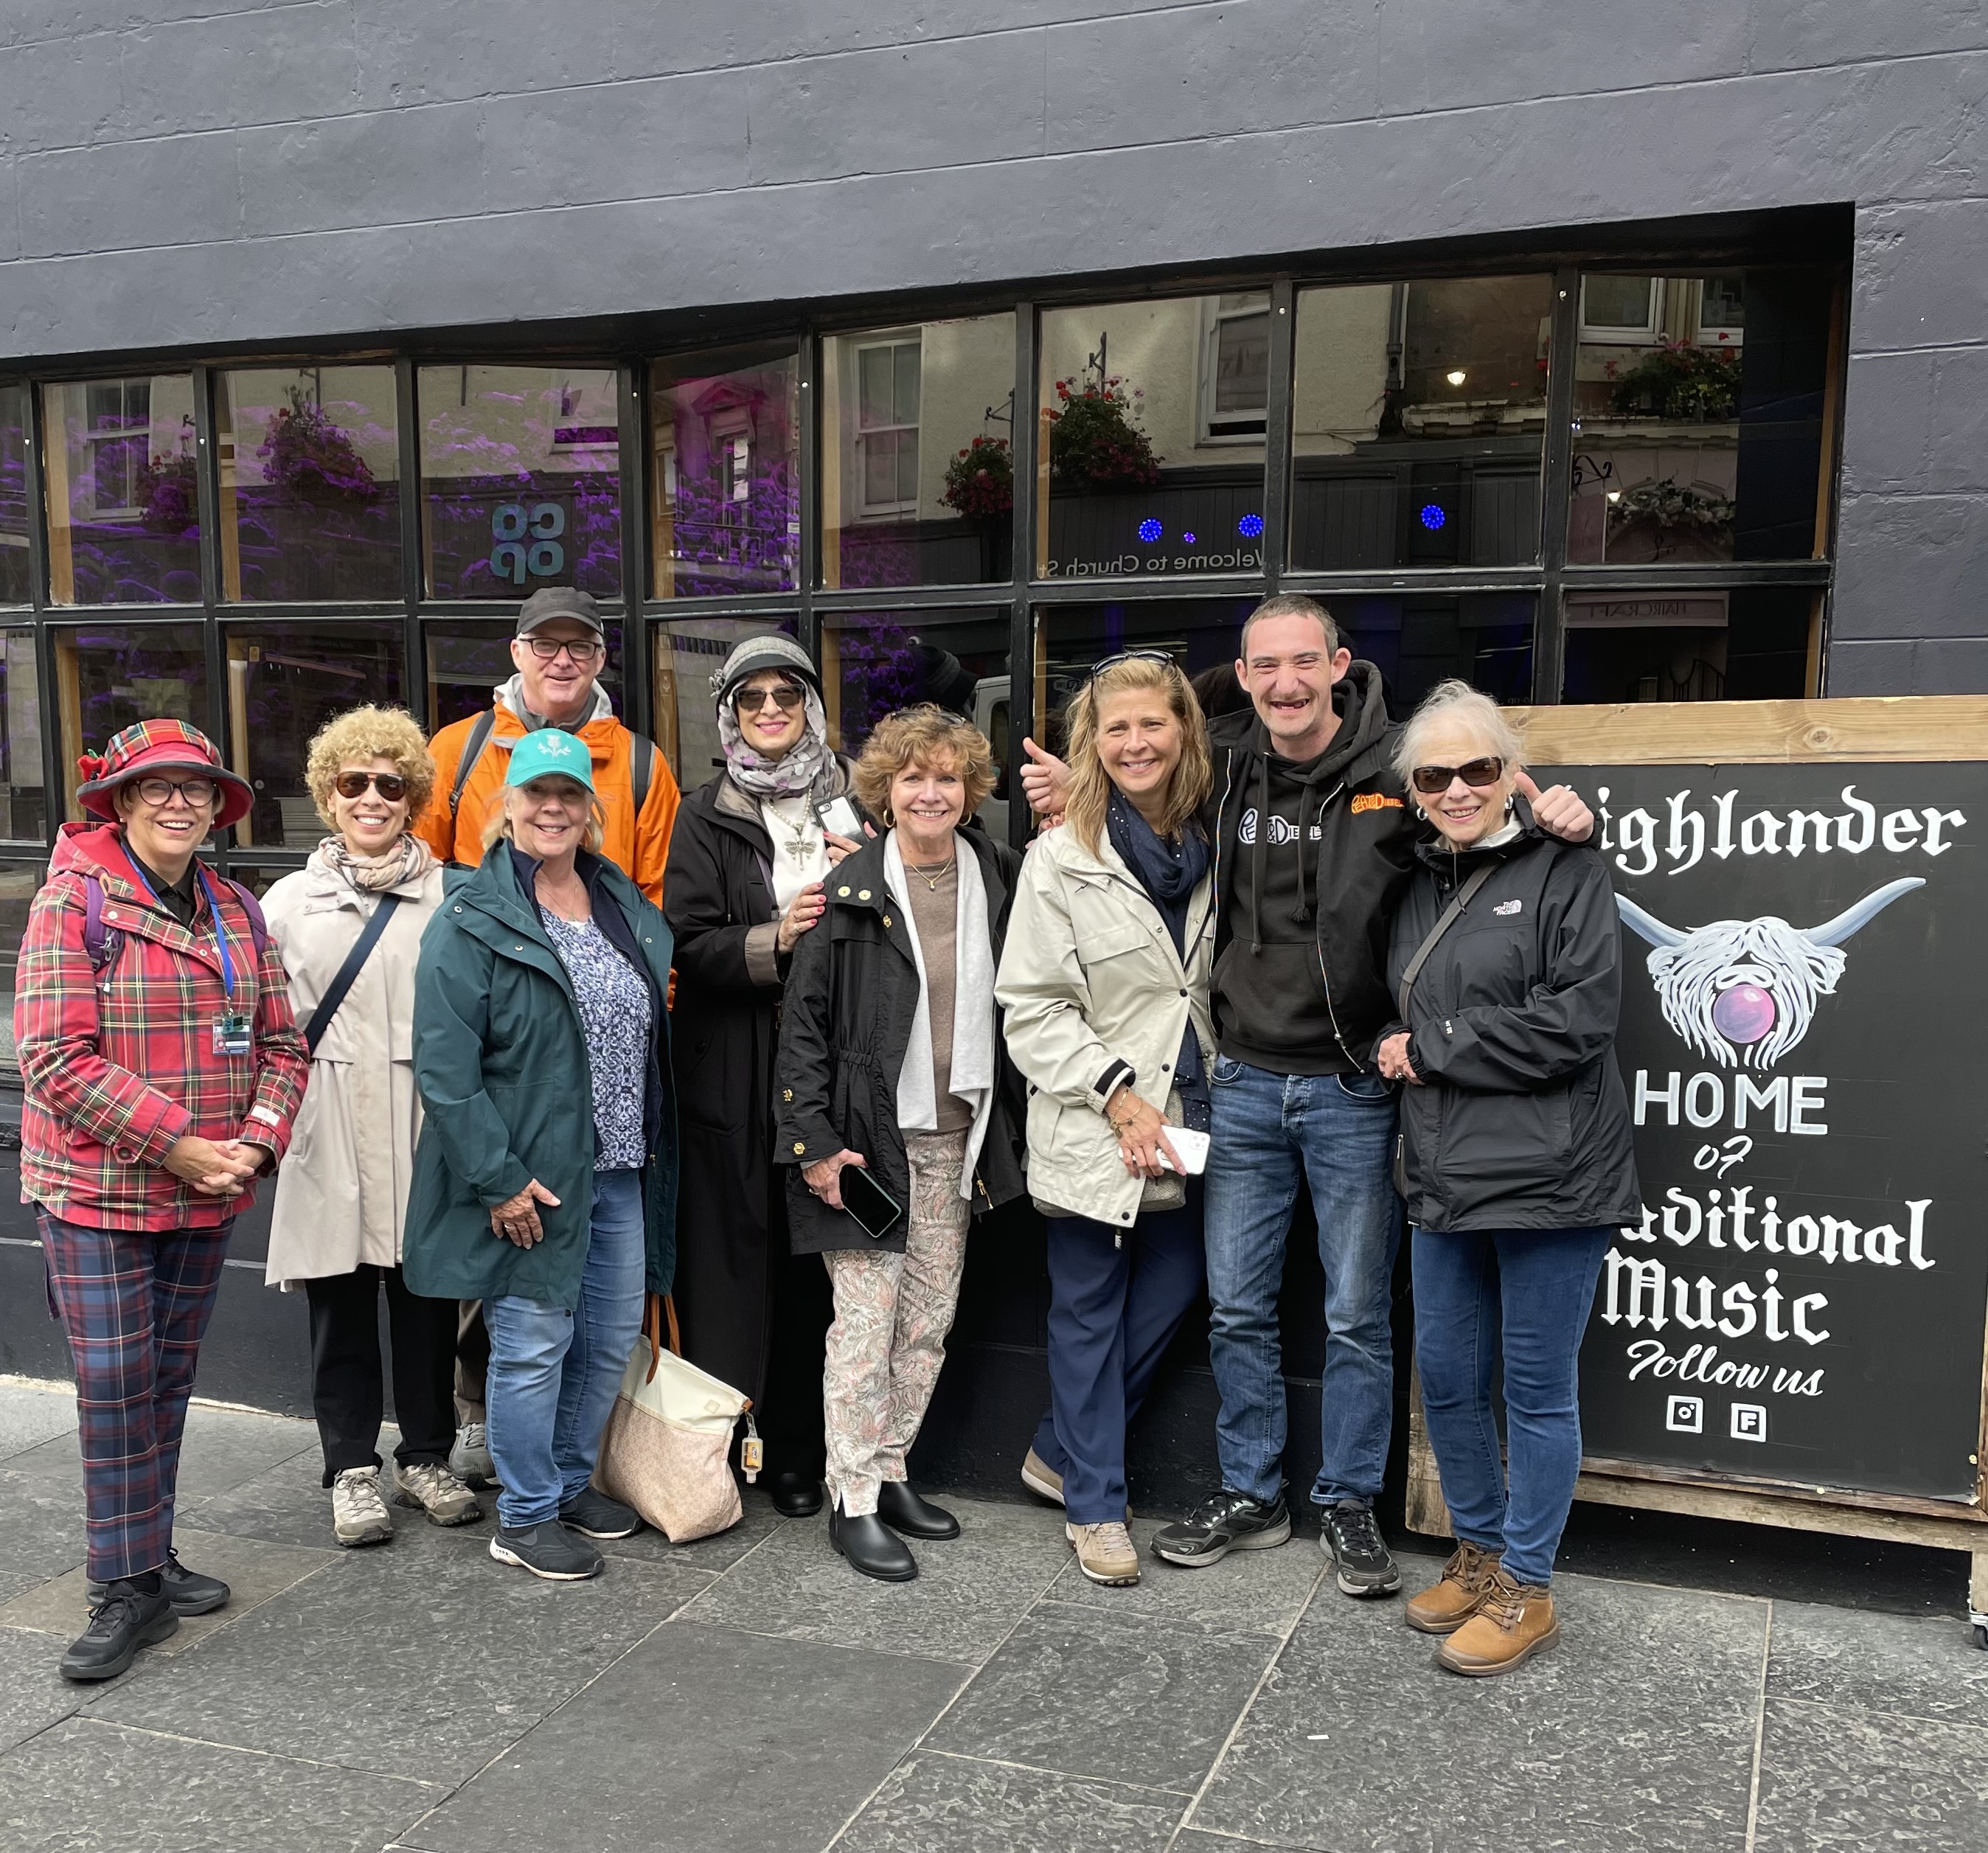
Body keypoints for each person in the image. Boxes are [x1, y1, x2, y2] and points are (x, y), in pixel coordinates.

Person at [1019, 595, 1593, 1595]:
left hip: (1354, 1089)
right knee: (1238, 1308)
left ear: (1338, 664)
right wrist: (1083, 787)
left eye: (1303, 663)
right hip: (1238, 1082)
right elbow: (1141, 783)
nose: (1285, 683)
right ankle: (1254, 1491)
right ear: (1241, 679)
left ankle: (1347, 1501)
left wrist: (1551, 807)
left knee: (1354, 1313)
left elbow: (1476, 813)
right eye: (1263, 667)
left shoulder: (1393, 773)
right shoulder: (1225, 765)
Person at [13, 720, 309, 1681]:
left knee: (165, 1380)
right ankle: (122, 1585)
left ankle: (153, 1552)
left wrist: (253, 1147)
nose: (178, 802)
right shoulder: (73, 904)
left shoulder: (235, 908)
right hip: (98, 1194)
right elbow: (55, 1059)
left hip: (205, 1194)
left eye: (195, 788)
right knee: (114, 1388)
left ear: (217, 804)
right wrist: (179, 1143)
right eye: (157, 788)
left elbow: (282, 1046)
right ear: (122, 801)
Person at [1374, 682, 1638, 1674]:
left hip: (1554, 1174)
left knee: (1535, 1390)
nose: (1457, 788)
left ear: (1509, 775)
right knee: (1446, 1378)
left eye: (1477, 770)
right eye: (1435, 774)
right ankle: (1478, 1555)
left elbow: (1579, 1024)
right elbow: (1377, 1003)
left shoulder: (1567, 865)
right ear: (1413, 788)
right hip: (1443, 1173)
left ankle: (1530, 1588)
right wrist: (1398, 1044)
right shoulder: (1412, 882)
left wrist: (1432, 1045)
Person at [413, 584, 681, 1489]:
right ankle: (528, 1513)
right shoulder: (472, 914)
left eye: (569, 794)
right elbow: (446, 1067)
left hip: (618, 1164)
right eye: (536, 793)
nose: (553, 809)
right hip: (533, 1167)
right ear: (507, 801)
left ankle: (567, 1487)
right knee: (531, 1342)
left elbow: (654, 992)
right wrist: (497, 1175)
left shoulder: (618, 904)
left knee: (606, 1338)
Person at [776, 706, 1028, 1583]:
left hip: (958, 1140)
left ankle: (888, 1470)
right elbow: (802, 1025)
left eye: (947, 777)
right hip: (866, 1149)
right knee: (863, 1328)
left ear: (969, 791)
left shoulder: (995, 871)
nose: (931, 791)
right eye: (913, 776)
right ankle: (850, 1498)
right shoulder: (850, 886)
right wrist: (813, 1143)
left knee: (927, 1325)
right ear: (885, 790)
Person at [997, 651, 1216, 1589]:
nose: (1134, 742)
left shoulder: (1217, 841)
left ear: (1183, 733)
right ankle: (1094, 1504)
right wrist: (1119, 1095)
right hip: (1098, 1119)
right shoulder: (1059, 856)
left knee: (1177, 1290)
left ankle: (1058, 1447)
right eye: (1114, 727)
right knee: (1086, 1311)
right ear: (1091, 742)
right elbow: (1031, 1008)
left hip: (1198, 1119)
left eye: (1151, 724)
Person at [262, 706, 479, 1548]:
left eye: (392, 784)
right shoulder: (286, 902)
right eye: (355, 782)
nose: (373, 797)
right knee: (340, 1297)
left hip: (423, 1113)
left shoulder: (450, 894)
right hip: (328, 1109)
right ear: (329, 791)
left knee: (427, 1294)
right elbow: (262, 1020)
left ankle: (424, 1455)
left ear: (413, 796)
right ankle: (350, 1466)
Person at [664, 633, 861, 1518]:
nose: (772, 709)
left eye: (788, 693)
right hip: (737, 1073)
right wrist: (773, 939)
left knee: (818, 1267)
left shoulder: (859, 801)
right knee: (736, 1269)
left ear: (812, 706)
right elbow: (687, 941)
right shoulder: (705, 811)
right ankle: (723, 1453)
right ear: (729, 713)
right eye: (753, 698)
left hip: (831, 1071)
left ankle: (796, 1454)